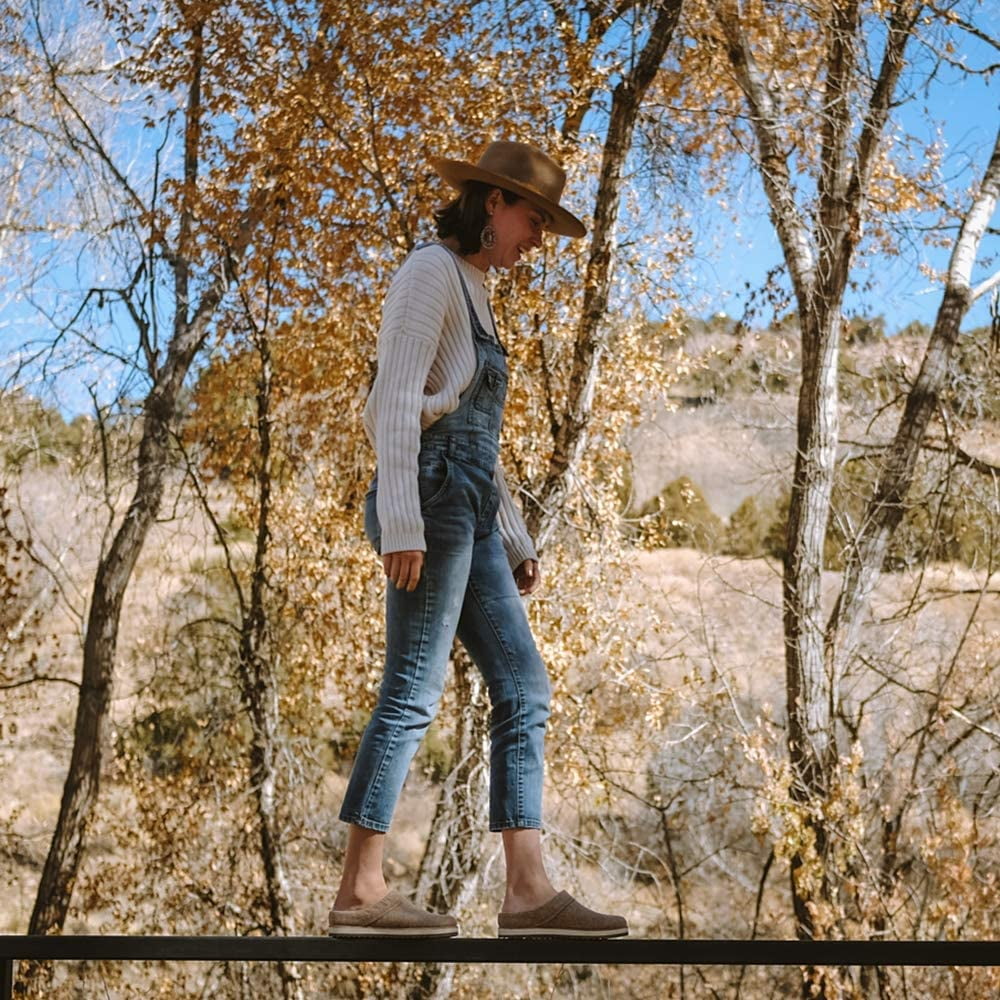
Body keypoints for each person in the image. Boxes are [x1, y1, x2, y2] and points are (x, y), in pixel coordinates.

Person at [329, 141, 628, 940]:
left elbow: (478, 438)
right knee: (414, 688)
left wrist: (516, 536)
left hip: (466, 504)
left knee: (524, 684)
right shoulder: (430, 271)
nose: (537, 238)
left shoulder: (477, 287)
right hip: (427, 501)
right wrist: (401, 521)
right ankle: (359, 889)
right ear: (493, 204)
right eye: (534, 219)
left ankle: (527, 893)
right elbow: (394, 402)